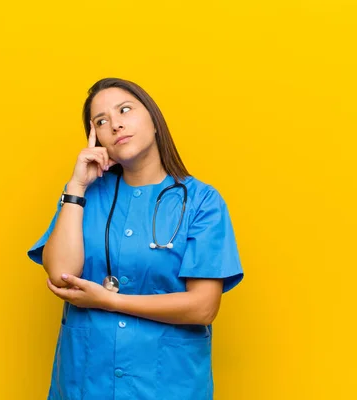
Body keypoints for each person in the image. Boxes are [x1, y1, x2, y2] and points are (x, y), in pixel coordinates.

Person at [27, 77, 243, 400]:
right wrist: (75, 186)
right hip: (87, 385)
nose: (115, 125)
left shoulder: (202, 202)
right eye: (101, 121)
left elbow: (203, 307)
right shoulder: (85, 197)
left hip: (167, 386)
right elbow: (61, 274)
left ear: (154, 120)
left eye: (124, 110)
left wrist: (108, 300)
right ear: (96, 138)